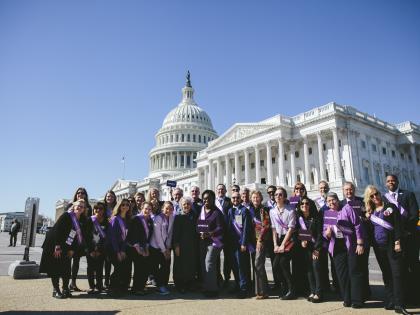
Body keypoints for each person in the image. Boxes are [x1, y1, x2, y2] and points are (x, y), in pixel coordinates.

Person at [364, 185, 406, 314]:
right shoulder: (371, 212)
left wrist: (397, 241)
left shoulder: (390, 207)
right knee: (386, 274)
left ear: (379, 193)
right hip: (378, 247)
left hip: (391, 245)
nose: (375, 197)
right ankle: (390, 300)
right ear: (369, 198)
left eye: (376, 193)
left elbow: (398, 225)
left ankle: (399, 303)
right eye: (371, 196)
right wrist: (366, 217)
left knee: (397, 274)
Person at [323, 192, 365, 308]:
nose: (331, 202)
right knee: (342, 274)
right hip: (336, 246)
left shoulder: (347, 209)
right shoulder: (328, 214)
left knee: (354, 272)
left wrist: (360, 243)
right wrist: (327, 233)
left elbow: (357, 225)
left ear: (338, 200)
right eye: (329, 201)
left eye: (333, 200)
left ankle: (357, 300)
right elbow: (324, 231)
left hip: (350, 244)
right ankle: (347, 298)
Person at [384, 174, 419, 306]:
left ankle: (416, 296)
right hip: (395, 240)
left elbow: (414, 215)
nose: (391, 182)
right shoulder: (384, 198)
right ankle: (404, 297)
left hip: (409, 237)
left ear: (397, 182)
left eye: (393, 180)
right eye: (388, 181)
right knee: (400, 270)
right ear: (386, 183)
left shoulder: (408, 194)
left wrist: (402, 230)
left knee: (413, 267)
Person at [39, 199, 86, 298]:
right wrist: (57, 246)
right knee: (55, 268)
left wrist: (72, 249)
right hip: (54, 243)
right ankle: (56, 290)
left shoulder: (81, 219)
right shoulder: (67, 215)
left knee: (66, 268)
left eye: (82, 206)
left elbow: (77, 237)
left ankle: (65, 289)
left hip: (67, 245)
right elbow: (57, 230)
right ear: (74, 206)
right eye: (78, 205)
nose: (80, 207)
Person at [341, 181, 371, 301]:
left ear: (354, 189)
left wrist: (364, 218)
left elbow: (368, 216)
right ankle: (355, 294)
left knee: (363, 266)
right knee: (352, 268)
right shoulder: (341, 204)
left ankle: (365, 292)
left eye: (351, 189)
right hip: (347, 241)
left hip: (362, 239)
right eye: (346, 190)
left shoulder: (361, 201)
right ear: (343, 191)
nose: (349, 191)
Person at [270, 187, 296, 299]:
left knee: (283, 264)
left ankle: (291, 290)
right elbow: (274, 229)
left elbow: (291, 229)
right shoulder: (272, 211)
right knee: (275, 266)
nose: (278, 196)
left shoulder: (290, 210)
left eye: (280, 194)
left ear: (284, 197)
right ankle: (284, 287)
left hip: (289, 239)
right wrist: (275, 244)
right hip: (279, 239)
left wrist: (282, 245)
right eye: (276, 195)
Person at [198, 189, 225, 298]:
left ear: (213, 199)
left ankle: (213, 289)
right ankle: (207, 286)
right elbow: (198, 223)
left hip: (215, 241)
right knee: (204, 264)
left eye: (208, 198)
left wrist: (209, 234)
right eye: (204, 199)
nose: (206, 201)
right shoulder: (202, 210)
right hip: (203, 241)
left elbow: (220, 227)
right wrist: (199, 232)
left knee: (209, 262)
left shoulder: (217, 212)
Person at [296, 196, 323, 303]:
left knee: (316, 269)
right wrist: (302, 240)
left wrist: (317, 249)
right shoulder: (300, 219)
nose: (304, 205)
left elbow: (320, 235)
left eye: (307, 203)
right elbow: (298, 232)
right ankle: (312, 291)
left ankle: (319, 293)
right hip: (306, 248)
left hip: (316, 247)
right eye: (302, 204)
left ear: (310, 205)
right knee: (309, 270)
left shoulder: (316, 218)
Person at [227, 192, 253, 298]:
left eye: (237, 197)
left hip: (241, 243)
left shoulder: (244, 211)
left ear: (240, 199)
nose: (235, 199)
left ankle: (244, 288)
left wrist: (244, 243)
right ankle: (238, 284)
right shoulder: (230, 210)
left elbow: (246, 228)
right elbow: (229, 227)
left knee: (241, 266)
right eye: (233, 198)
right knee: (235, 266)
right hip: (232, 243)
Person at [67, 187, 91, 292]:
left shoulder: (88, 207)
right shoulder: (70, 206)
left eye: (82, 193)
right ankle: (65, 283)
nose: (80, 194)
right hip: (70, 237)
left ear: (85, 195)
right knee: (67, 261)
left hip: (81, 238)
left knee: (76, 261)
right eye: (78, 193)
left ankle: (73, 283)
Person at [173, 197, 199, 293]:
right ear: (181, 205)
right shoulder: (178, 217)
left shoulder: (194, 216)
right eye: (184, 204)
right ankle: (180, 285)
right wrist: (176, 246)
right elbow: (175, 233)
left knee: (190, 265)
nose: (186, 206)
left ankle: (189, 284)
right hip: (181, 246)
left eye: (188, 204)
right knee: (180, 266)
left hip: (192, 246)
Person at [127, 202, 154, 295]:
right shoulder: (136, 218)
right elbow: (132, 234)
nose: (147, 211)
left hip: (145, 246)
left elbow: (148, 236)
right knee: (138, 268)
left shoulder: (150, 220)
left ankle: (141, 287)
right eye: (146, 208)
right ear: (142, 209)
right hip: (135, 247)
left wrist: (146, 248)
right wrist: (138, 248)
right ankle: (136, 288)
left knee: (145, 268)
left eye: (150, 209)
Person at [107, 199, 132, 297]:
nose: (125, 206)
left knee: (123, 267)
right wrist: (117, 251)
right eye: (123, 205)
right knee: (118, 267)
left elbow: (126, 237)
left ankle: (120, 288)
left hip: (121, 248)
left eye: (127, 205)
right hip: (112, 248)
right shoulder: (115, 219)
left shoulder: (127, 220)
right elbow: (112, 237)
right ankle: (112, 288)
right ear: (119, 206)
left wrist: (122, 250)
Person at [149, 201, 175, 295]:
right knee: (156, 268)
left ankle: (164, 284)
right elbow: (158, 236)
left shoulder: (172, 217)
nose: (169, 210)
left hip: (165, 246)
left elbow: (170, 233)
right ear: (163, 209)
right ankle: (160, 286)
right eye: (167, 208)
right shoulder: (158, 218)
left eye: (171, 208)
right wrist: (164, 250)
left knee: (166, 266)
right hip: (155, 246)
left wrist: (167, 247)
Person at [251, 190, 272, 299]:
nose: (255, 199)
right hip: (253, 240)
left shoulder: (263, 210)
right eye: (254, 197)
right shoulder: (250, 210)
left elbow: (266, 225)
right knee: (258, 265)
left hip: (261, 240)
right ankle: (261, 290)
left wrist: (260, 239)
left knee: (258, 263)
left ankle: (262, 292)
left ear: (261, 199)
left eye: (257, 197)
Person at [85, 202, 108, 294]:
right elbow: (85, 236)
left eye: (101, 208)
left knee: (99, 268)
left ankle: (99, 286)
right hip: (90, 248)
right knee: (90, 268)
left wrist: (99, 250)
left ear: (104, 210)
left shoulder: (106, 221)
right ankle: (91, 286)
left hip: (101, 249)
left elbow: (107, 237)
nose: (98, 210)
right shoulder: (89, 220)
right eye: (96, 208)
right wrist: (91, 250)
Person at [215, 184, 233, 288]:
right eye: (219, 189)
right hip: (216, 233)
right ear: (216, 191)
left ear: (225, 191)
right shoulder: (213, 201)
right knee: (216, 256)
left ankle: (227, 277)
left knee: (227, 257)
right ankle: (218, 277)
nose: (220, 191)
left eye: (222, 189)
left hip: (227, 233)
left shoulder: (229, 201)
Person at [103, 190, 117, 289]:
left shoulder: (116, 207)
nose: (109, 198)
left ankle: (114, 279)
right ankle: (106, 280)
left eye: (111, 196)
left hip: (114, 235)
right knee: (106, 260)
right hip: (104, 235)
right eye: (108, 196)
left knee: (114, 259)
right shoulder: (102, 207)